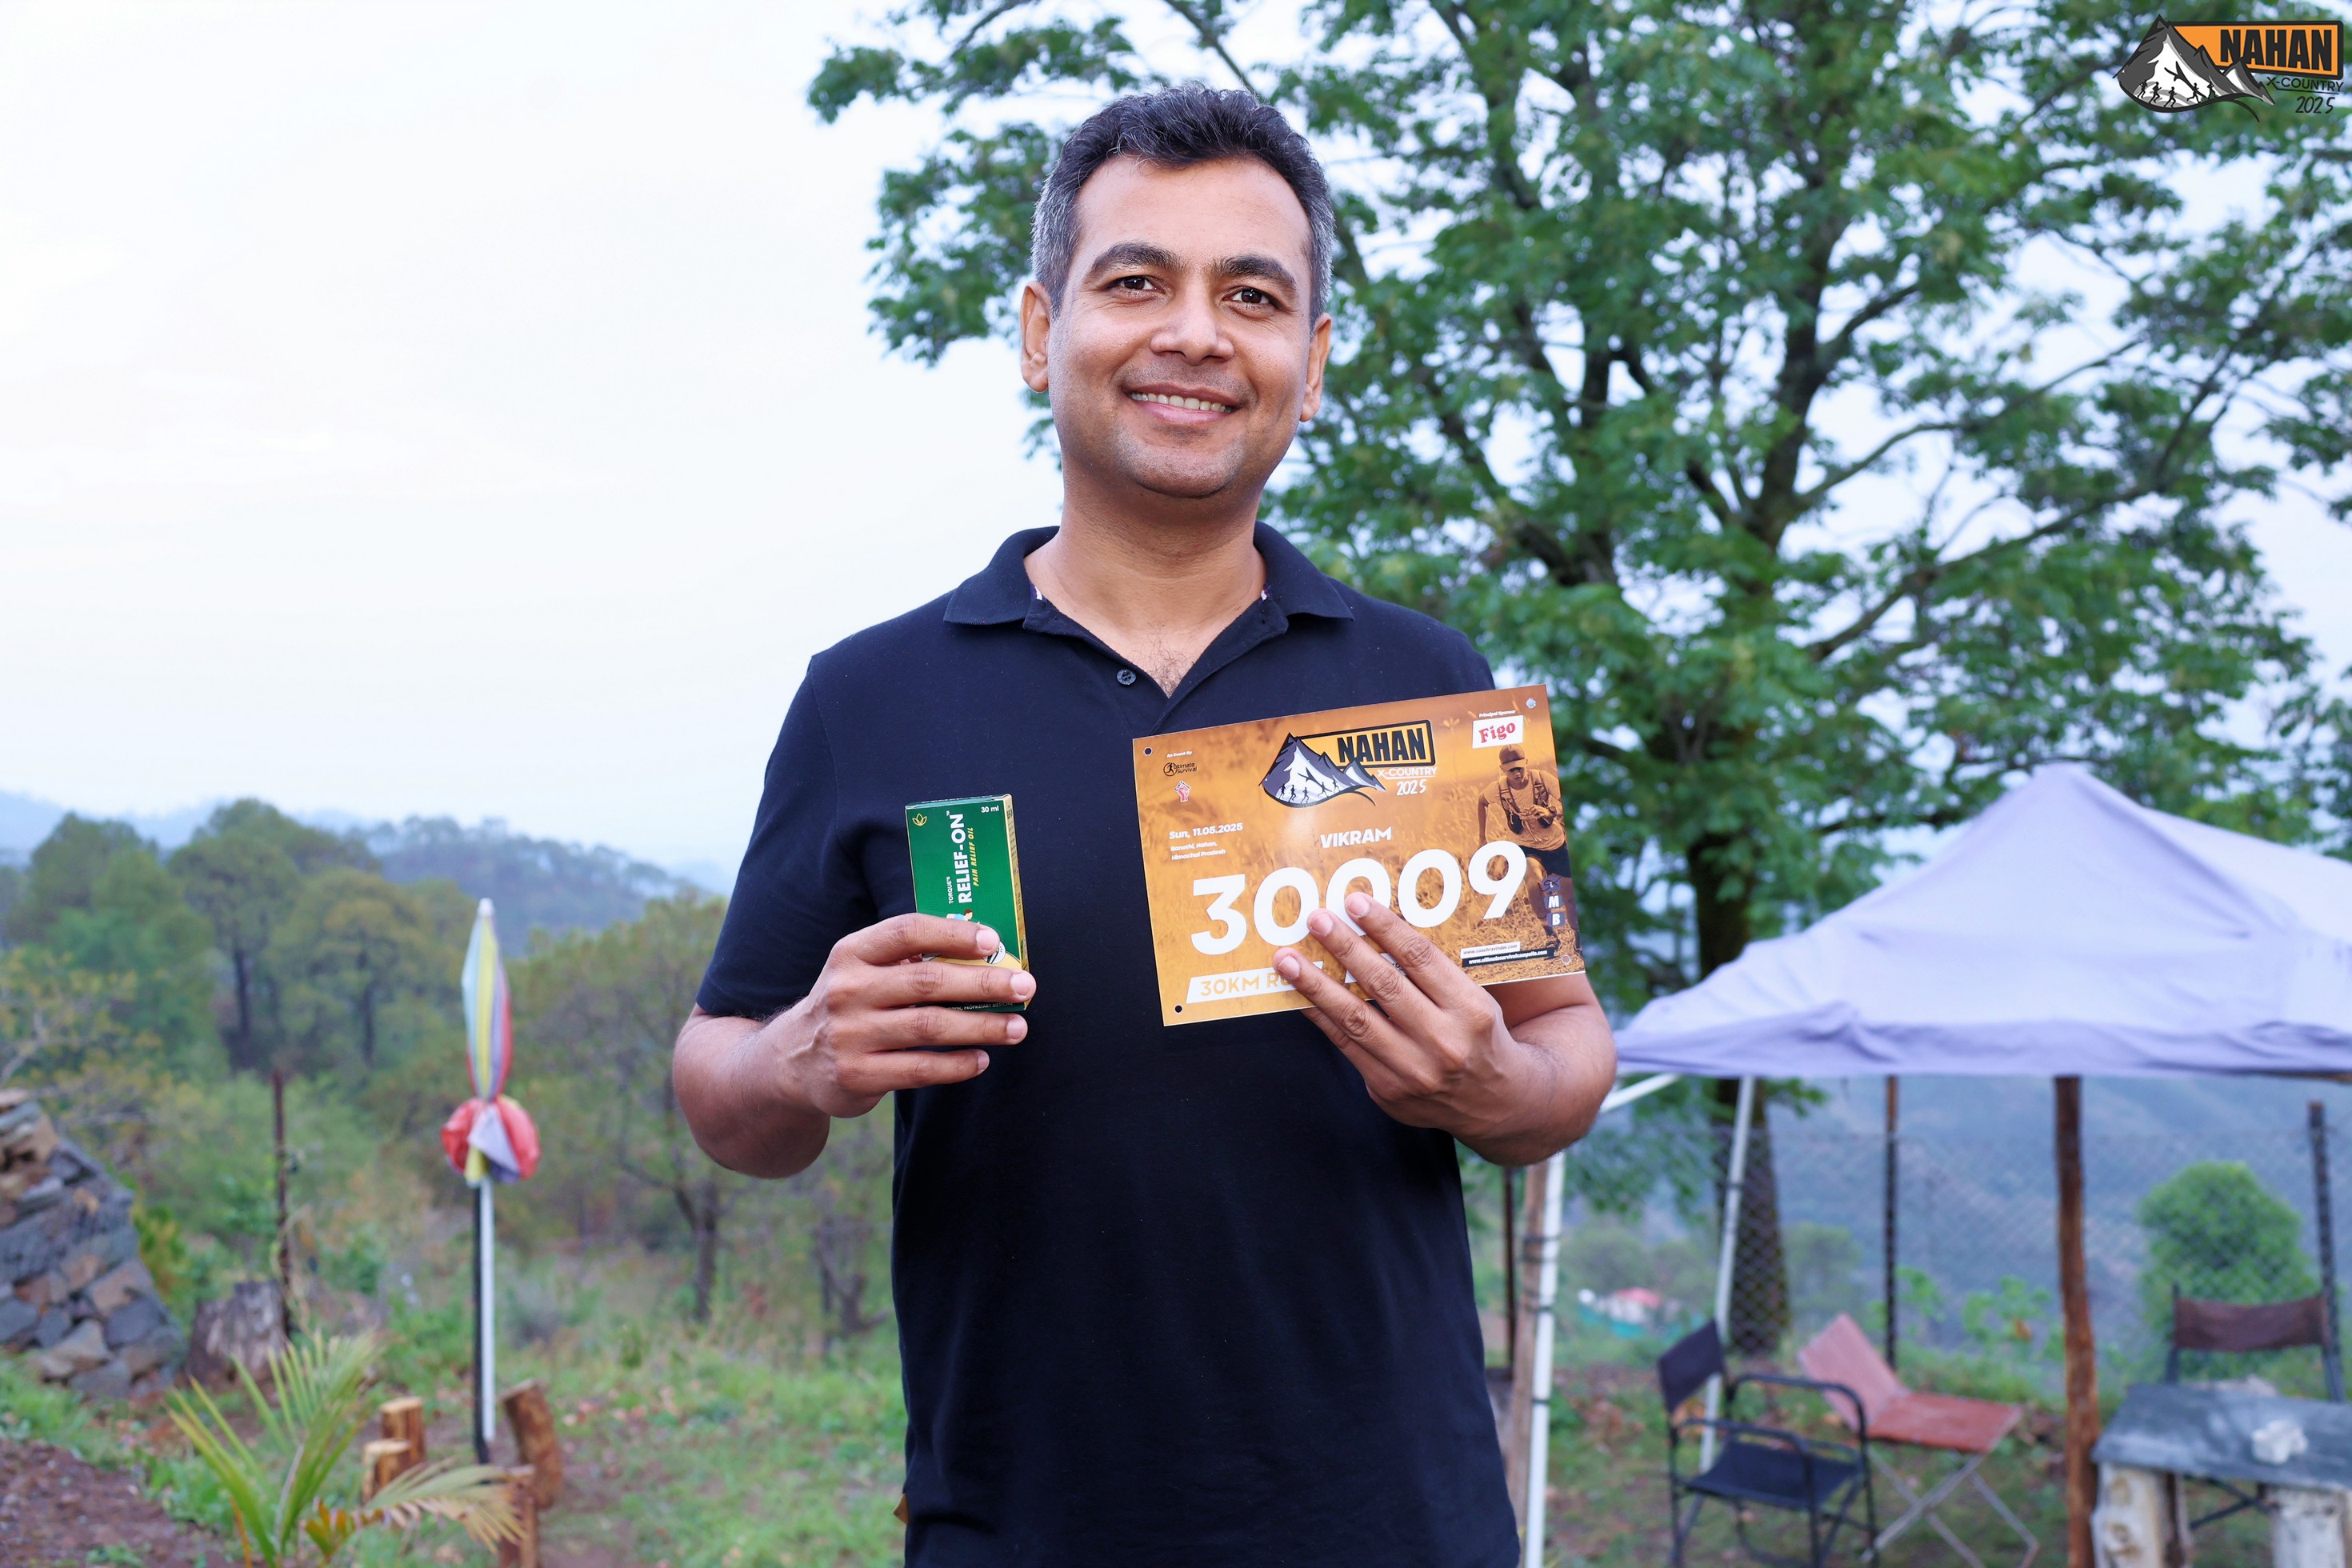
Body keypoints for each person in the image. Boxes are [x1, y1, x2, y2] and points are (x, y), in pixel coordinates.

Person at [672, 86, 1617, 1566]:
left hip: (1398, 1524)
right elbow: (720, 1084)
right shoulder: (870, 698)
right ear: (1041, 331)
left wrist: (1495, 1087)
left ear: (1312, 362)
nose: (1194, 334)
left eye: (1253, 296)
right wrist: (802, 1054)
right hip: (1019, 1525)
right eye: (1136, 282)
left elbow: (1568, 1047)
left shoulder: (1430, 682)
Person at [1477, 745, 1577, 933]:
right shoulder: (1498, 788)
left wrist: (1549, 812)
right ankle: (1550, 934)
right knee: (1534, 883)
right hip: (1524, 846)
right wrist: (1482, 838)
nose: (1516, 773)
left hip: (1555, 844)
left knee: (1570, 898)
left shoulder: (1543, 779)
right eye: (1511, 770)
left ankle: (1577, 935)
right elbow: (1482, 801)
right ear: (1502, 769)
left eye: (1519, 768)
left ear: (1526, 763)